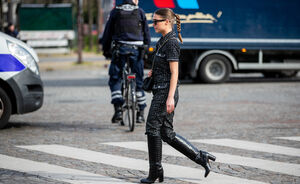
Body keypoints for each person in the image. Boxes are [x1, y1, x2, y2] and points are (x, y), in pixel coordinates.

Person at [140, 8, 216, 183]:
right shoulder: (162, 41)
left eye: (156, 21)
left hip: (166, 92)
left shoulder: (172, 43)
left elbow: (175, 73)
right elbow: (165, 67)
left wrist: (170, 97)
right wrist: (154, 71)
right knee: (166, 133)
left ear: (167, 22)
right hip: (160, 89)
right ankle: (200, 157)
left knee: (152, 127)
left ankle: (155, 171)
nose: (153, 24)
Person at [100, 0, 150, 124]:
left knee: (115, 79)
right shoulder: (140, 12)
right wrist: (147, 48)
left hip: (120, 49)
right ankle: (140, 114)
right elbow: (146, 33)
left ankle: (118, 110)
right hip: (137, 51)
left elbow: (107, 33)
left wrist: (106, 50)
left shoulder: (115, 12)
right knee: (138, 81)